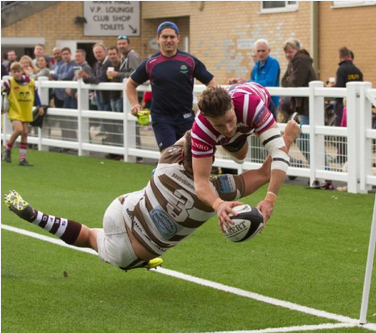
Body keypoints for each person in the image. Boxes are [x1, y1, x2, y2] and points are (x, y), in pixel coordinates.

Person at [4, 120, 300, 271]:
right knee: (91, 239)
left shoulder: (167, 160)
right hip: (132, 251)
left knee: (95, 234)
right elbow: (263, 174)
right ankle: (36, 217)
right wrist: (285, 138)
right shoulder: (219, 192)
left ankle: (36, 215)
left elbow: (193, 134)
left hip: (120, 210)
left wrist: (217, 123)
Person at [191, 83, 290, 228]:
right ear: (207, 118)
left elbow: (279, 153)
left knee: (276, 150)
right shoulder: (201, 128)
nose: (229, 129)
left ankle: (289, 135)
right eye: (219, 125)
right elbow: (200, 182)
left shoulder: (251, 105)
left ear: (231, 104)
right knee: (240, 157)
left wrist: (270, 199)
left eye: (229, 120)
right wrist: (219, 204)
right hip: (238, 123)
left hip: (259, 102)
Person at [126, 21, 215, 152]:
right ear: (158, 39)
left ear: (178, 38)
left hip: (186, 118)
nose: (169, 40)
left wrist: (208, 101)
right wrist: (135, 104)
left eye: (172, 37)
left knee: (189, 159)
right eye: (165, 37)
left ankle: (161, 171)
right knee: (170, 156)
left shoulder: (189, 61)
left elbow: (211, 82)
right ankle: (162, 170)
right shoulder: (150, 63)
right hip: (162, 119)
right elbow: (130, 85)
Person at [281, 38, 317, 166]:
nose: (287, 55)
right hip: (303, 107)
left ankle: (321, 168)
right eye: (286, 52)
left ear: (296, 50)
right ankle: (319, 167)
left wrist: (290, 80)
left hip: (308, 106)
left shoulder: (300, 61)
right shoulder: (294, 62)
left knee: (304, 139)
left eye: (290, 51)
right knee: (306, 139)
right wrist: (290, 79)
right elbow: (283, 82)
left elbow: (296, 82)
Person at [1, 62, 44, 166]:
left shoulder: (30, 82)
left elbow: (35, 94)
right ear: (11, 73)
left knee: (25, 133)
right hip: (14, 110)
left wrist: (40, 106)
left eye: (18, 71)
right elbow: (2, 94)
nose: (16, 74)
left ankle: (22, 159)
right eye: (14, 72)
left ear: (22, 71)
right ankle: (8, 148)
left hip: (25, 110)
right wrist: (2, 106)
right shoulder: (8, 83)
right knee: (19, 129)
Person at [228, 39, 280, 119]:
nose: (261, 53)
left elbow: (269, 82)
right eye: (258, 51)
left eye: (263, 51)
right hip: (259, 102)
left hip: (271, 102)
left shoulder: (273, 62)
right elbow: (253, 81)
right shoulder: (256, 65)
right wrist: (240, 82)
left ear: (269, 51)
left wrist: (247, 82)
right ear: (255, 52)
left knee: (272, 128)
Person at [78, 43, 111, 134]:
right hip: (100, 95)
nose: (98, 54)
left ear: (105, 52)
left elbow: (100, 79)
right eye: (96, 53)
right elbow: (93, 78)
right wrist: (86, 78)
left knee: (110, 120)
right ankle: (106, 134)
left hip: (109, 96)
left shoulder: (109, 63)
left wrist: (86, 76)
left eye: (100, 52)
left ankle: (111, 138)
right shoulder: (96, 64)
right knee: (103, 117)